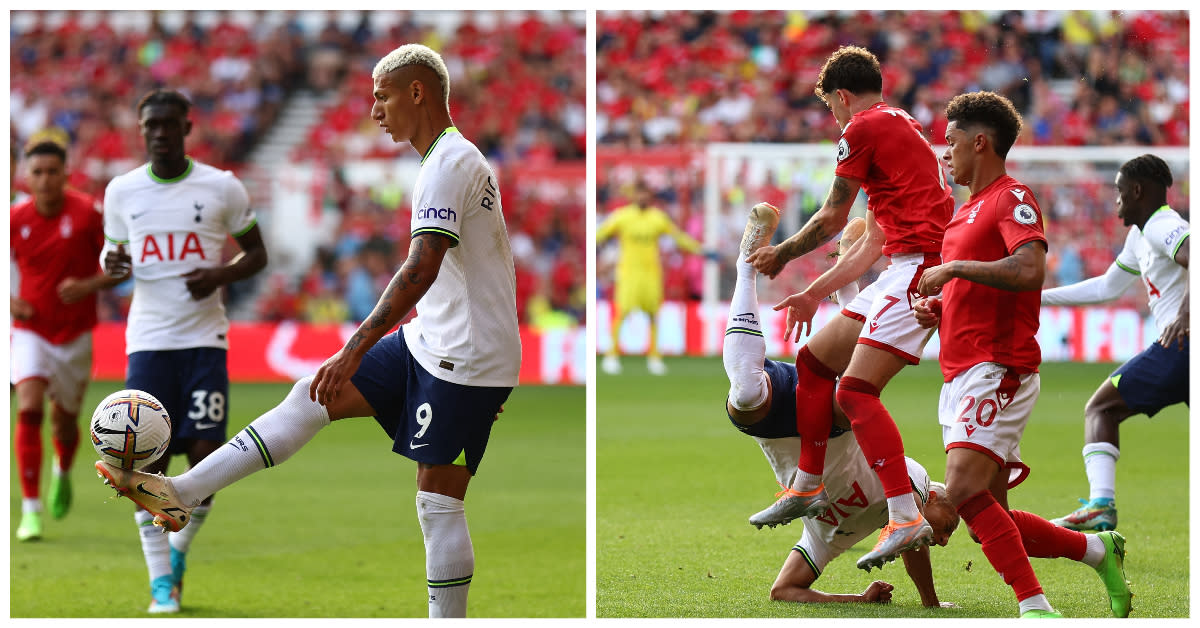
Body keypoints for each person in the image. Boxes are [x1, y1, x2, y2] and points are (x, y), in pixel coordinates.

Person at [97, 44, 521, 619]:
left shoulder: (449, 163)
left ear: (417, 92)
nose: (374, 108)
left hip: (465, 357)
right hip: (434, 340)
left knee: (437, 502)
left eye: (382, 95)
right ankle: (180, 493)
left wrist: (356, 348)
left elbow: (421, 268)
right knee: (311, 395)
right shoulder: (444, 160)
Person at [914, 90, 1131, 618]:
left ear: (980, 142)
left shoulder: (1013, 198)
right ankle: (1098, 550)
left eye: (952, 142)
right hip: (960, 370)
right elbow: (982, 288)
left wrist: (956, 271)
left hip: (999, 366)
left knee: (962, 490)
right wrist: (942, 307)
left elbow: (1030, 271)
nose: (946, 153)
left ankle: (1036, 607)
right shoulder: (964, 213)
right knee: (991, 516)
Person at [745, 45, 954, 571]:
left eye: (832, 109)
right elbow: (870, 244)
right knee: (814, 362)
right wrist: (815, 291)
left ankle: (906, 515)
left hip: (920, 270)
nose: (834, 120)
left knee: (856, 391)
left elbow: (835, 217)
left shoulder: (861, 130)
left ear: (841, 97)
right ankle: (808, 485)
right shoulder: (903, 128)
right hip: (901, 267)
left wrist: (783, 252)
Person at [724, 205, 958, 607]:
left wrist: (859, 600)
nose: (944, 539)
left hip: (779, 427)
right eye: (949, 527)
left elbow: (783, 591)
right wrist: (930, 603)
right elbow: (914, 541)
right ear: (933, 498)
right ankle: (751, 265)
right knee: (853, 389)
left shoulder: (828, 538)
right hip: (830, 414)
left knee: (746, 394)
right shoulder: (916, 482)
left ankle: (850, 294)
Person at [99, 88, 269, 613]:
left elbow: (257, 253)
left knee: (204, 460)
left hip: (204, 342)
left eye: (169, 124)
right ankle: (159, 584)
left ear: (186, 128)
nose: (159, 133)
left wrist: (219, 273)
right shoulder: (122, 191)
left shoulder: (220, 187)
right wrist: (111, 265)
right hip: (148, 341)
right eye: (150, 125)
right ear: (142, 129)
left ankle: (177, 549)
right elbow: (114, 254)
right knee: (139, 460)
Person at [1041, 154, 1188, 533]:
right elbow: (1107, 287)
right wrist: (1039, 296)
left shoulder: (1162, 224)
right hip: (1182, 348)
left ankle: (1101, 505)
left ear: (1138, 190)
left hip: (1181, 344)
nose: (1116, 201)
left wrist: (1187, 314)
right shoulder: (1139, 235)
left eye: (1120, 192)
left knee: (1101, 408)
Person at [10, 139, 121, 541]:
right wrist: (10, 301)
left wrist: (88, 284)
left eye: (52, 172)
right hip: (31, 332)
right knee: (30, 409)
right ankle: (31, 510)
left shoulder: (89, 214)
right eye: (37, 173)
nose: (44, 180)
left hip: (74, 334)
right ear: (27, 177)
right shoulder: (14, 218)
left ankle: (62, 470)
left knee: (65, 421)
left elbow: (120, 267)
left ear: (65, 174)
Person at [597, 179, 703, 375]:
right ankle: (611, 355)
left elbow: (678, 237)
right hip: (628, 273)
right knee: (622, 313)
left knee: (653, 315)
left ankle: (654, 357)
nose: (642, 197)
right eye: (639, 193)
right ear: (633, 196)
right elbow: (601, 233)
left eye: (645, 193)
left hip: (651, 273)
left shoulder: (657, 218)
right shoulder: (622, 217)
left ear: (649, 196)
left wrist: (699, 249)